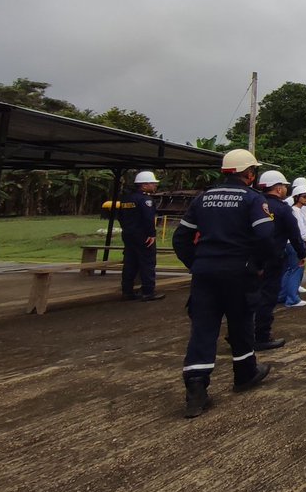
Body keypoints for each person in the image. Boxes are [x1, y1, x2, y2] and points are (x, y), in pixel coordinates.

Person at [172, 149, 277, 418]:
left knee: (203, 328)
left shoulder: (203, 198)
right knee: (241, 321)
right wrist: (258, 265)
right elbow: (266, 236)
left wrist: (196, 264)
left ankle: (196, 389)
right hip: (238, 272)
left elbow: (181, 238)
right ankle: (244, 373)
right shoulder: (252, 199)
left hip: (205, 273)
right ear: (250, 174)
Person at [252, 170, 306, 352]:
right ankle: (261, 335)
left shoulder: (254, 203)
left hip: (250, 259)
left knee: (249, 296)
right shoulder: (283, 209)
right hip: (272, 258)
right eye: (283, 186)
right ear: (277, 188)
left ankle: (240, 332)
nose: (285, 189)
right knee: (267, 298)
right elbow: (294, 233)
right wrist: (302, 253)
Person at [118, 170, 164, 302]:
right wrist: (151, 234)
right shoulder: (145, 200)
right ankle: (148, 291)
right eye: (152, 183)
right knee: (147, 262)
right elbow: (148, 218)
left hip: (128, 235)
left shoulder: (126, 199)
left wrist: (127, 229)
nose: (155, 186)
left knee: (130, 262)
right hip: (143, 236)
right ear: (144, 185)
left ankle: (127, 291)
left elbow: (120, 217)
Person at [283, 179, 306, 298]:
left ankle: (284, 295)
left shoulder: (297, 210)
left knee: (291, 269)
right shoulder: (295, 210)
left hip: (292, 242)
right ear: (297, 197)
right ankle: (292, 298)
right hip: (296, 242)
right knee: (295, 269)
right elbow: (300, 230)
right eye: (304, 196)